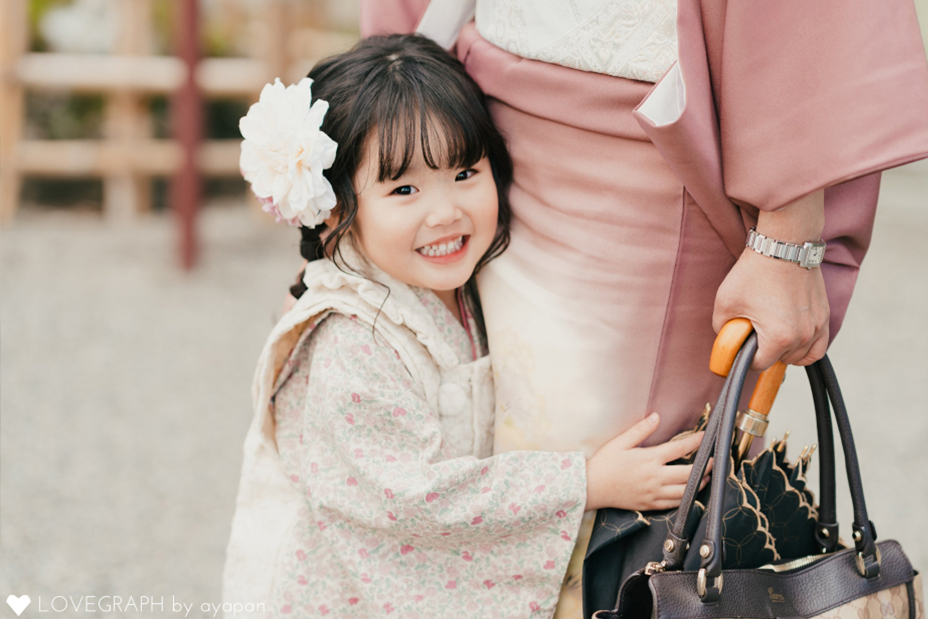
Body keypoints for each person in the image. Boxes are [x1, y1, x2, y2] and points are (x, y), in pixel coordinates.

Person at [360, 0, 928, 616]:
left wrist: (788, 238)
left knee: (649, 509)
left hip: (654, 139)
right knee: (506, 434)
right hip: (489, 130)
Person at [223, 34, 711, 618]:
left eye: (464, 172)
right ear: (334, 211)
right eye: (403, 188)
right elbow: (410, 500)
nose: (445, 211)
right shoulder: (350, 342)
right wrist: (585, 484)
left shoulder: (457, 286)